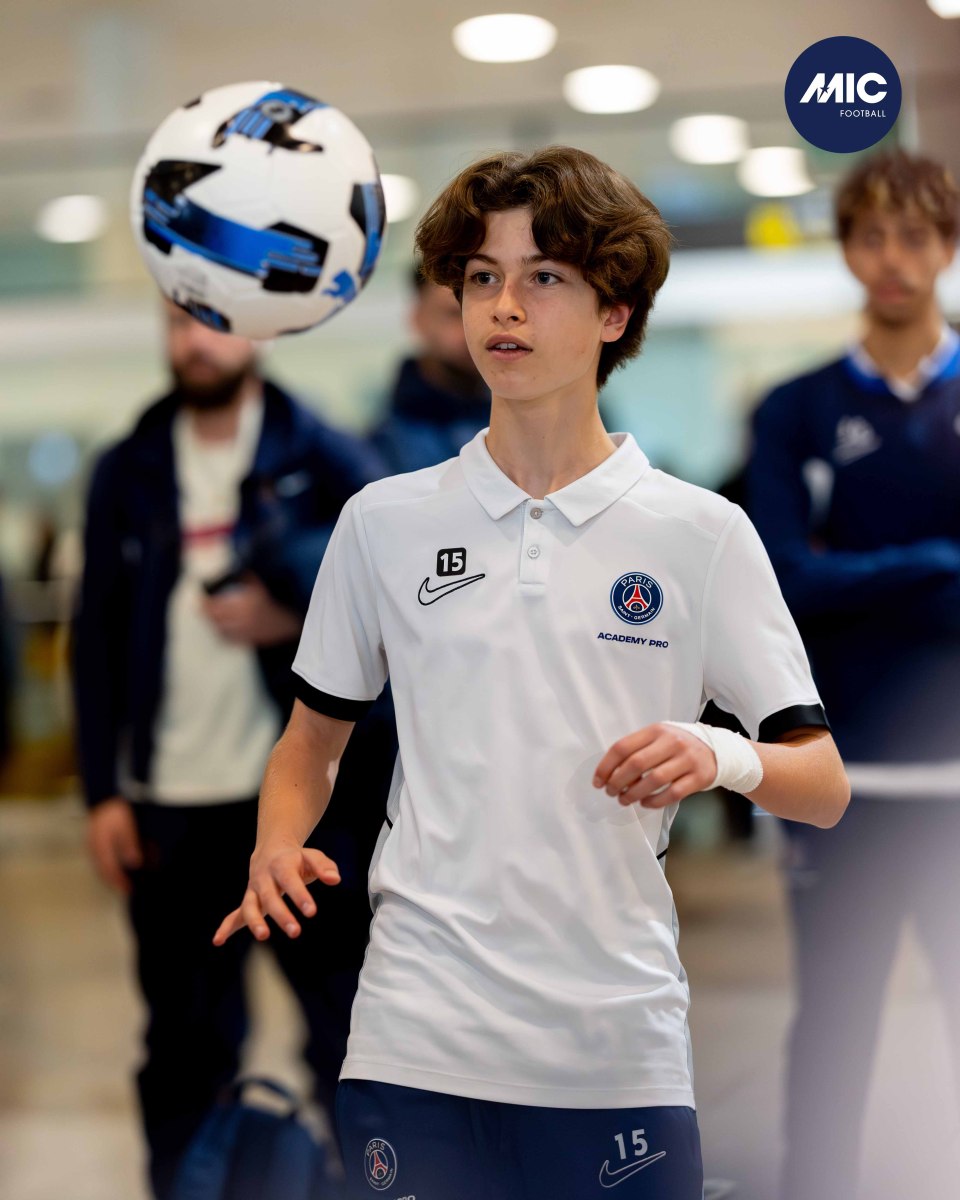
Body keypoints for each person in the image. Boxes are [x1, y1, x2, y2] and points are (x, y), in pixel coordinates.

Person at [214, 146, 849, 1200]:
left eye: (543, 276)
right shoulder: (382, 523)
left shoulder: (701, 535)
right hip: (412, 1040)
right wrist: (277, 845)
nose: (503, 305)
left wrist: (718, 754)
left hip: (617, 1052)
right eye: (481, 277)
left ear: (614, 312)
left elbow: (819, 784)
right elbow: (310, 743)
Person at [72, 299, 393, 1199]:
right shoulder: (129, 468)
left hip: (302, 813)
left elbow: (391, 594)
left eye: (212, 321)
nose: (193, 342)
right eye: (176, 322)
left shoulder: (322, 454)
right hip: (169, 808)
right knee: (184, 1051)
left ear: (257, 329)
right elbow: (95, 638)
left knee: (349, 1036)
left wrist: (289, 616)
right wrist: (102, 792)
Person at [747, 150, 960, 1200]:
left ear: (947, 247)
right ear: (845, 251)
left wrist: (858, 576)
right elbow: (785, 580)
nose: (893, 260)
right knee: (835, 1025)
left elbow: (827, 578)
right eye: (871, 237)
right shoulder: (795, 411)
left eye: (914, 237)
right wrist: (941, 563)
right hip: (843, 781)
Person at [369, 265, 491, 473]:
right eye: (454, 314)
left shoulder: (523, 416)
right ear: (418, 318)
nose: (473, 331)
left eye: (484, 315)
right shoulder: (385, 448)